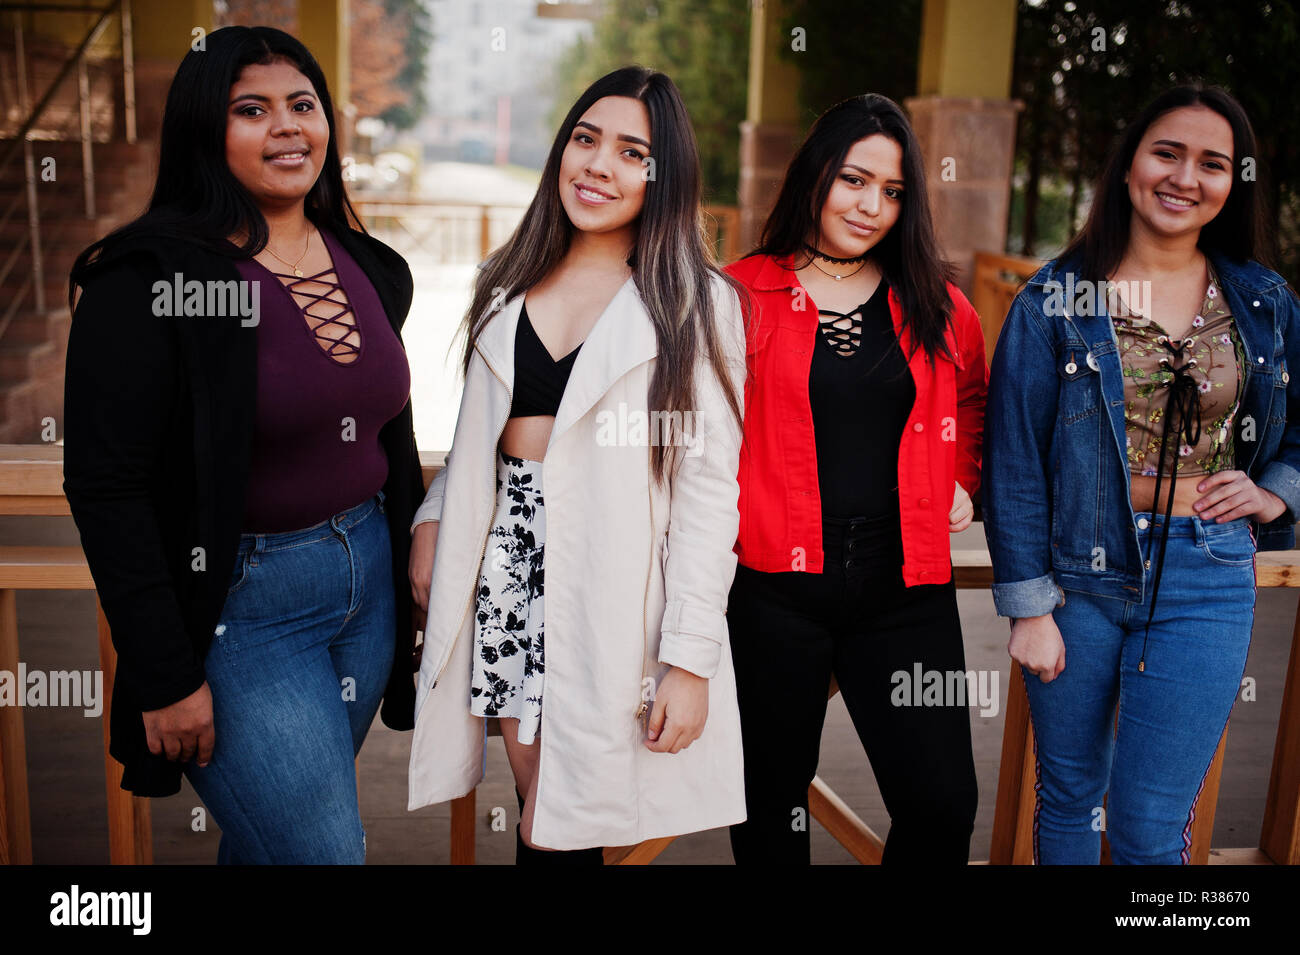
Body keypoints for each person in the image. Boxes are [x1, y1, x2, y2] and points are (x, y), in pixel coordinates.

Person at [63, 26, 424, 864]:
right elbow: (108, 486)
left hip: (365, 589)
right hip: (238, 613)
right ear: (203, 131)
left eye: (303, 105)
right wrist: (165, 672)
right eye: (251, 110)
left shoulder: (369, 266)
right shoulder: (149, 280)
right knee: (325, 853)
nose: (288, 127)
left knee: (273, 847)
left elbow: (388, 432)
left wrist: (416, 557)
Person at [405, 66, 748, 862]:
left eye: (633, 153)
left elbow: (707, 491)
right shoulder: (507, 283)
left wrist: (689, 660)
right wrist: (430, 517)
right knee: (539, 805)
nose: (598, 165)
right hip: (507, 564)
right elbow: (476, 447)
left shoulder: (697, 303)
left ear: (666, 178)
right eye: (586, 140)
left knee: (562, 827)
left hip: (613, 579)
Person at [984, 84, 1300, 864]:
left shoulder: (1264, 302)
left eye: (1213, 163)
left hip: (1209, 569)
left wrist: (1274, 492)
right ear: (1128, 165)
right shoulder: (1054, 299)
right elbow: (1015, 461)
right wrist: (1027, 605)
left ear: (1235, 183)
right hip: (1076, 577)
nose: (1186, 176)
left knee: (1152, 823)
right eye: (1167, 152)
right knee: (1067, 798)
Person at [724, 93, 988, 864]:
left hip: (905, 592)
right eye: (853, 180)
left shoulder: (938, 304)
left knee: (942, 804)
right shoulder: (736, 295)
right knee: (770, 805)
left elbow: (971, 397)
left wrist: (962, 473)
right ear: (814, 176)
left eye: (894, 191)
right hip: (771, 591)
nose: (873, 206)